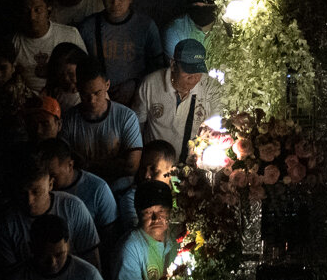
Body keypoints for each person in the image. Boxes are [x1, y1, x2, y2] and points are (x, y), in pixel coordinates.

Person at [0, 162, 101, 272]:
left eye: (36, 191)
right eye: (22, 193)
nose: (29, 200)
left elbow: (91, 261)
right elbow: (11, 275)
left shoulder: (73, 207)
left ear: (50, 184)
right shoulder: (6, 222)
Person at [78, 0, 165, 104]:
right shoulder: (88, 27)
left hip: (137, 97)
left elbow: (158, 67)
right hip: (97, 100)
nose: (115, 4)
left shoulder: (145, 26)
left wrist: (136, 84)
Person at [63, 70, 143, 198]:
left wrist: (89, 165)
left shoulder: (126, 117)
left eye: (97, 93)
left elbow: (132, 165)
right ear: (78, 89)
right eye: (85, 94)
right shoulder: (70, 119)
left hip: (121, 191)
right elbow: (64, 162)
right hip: (82, 191)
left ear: (107, 85)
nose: (92, 100)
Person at [133, 37, 217, 158]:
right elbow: (137, 127)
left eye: (198, 71)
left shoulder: (208, 89)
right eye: (188, 71)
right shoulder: (150, 84)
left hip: (191, 166)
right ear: (173, 65)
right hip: (157, 164)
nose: (194, 77)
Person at [39, 138, 119, 244]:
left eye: (53, 175)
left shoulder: (98, 189)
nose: (48, 182)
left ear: (70, 165)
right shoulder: (37, 191)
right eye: (43, 175)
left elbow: (110, 236)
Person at [113, 180, 176, 280]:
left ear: (170, 212)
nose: (156, 218)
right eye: (148, 212)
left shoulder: (177, 237)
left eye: (161, 211)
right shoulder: (130, 247)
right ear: (138, 213)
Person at [8, 0, 82, 92]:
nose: (32, 17)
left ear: (48, 9)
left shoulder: (69, 34)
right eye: (26, 11)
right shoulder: (14, 42)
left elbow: (86, 69)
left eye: (37, 10)